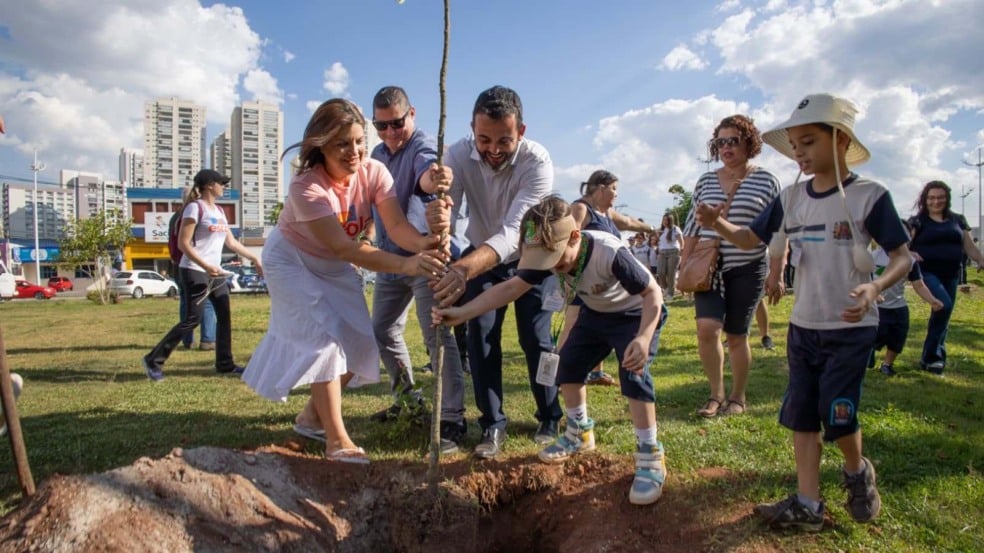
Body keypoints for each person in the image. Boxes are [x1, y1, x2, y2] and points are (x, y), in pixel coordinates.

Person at [697, 92, 911, 531]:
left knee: (839, 414)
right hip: (803, 327)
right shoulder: (791, 197)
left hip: (850, 330)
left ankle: (856, 470)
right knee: (800, 414)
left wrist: (875, 287)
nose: (799, 153)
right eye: (795, 145)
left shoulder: (871, 196)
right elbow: (750, 241)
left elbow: (903, 257)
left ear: (840, 140)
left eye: (808, 142)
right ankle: (808, 504)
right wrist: (716, 223)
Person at [241, 99, 447, 464]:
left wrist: (426, 243)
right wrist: (409, 265)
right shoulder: (306, 187)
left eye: (358, 141)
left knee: (361, 347)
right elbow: (343, 248)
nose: (354, 152)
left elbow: (397, 228)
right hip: (293, 259)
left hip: (334, 263)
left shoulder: (375, 172)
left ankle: (309, 418)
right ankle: (337, 439)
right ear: (320, 145)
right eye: (342, 144)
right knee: (323, 342)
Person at [433, 196, 668, 505]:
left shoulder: (610, 253)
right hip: (596, 313)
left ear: (574, 236)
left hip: (636, 314)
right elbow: (509, 288)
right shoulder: (549, 253)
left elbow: (653, 294)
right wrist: (462, 313)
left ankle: (649, 455)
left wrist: (643, 337)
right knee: (567, 366)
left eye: (556, 259)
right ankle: (579, 431)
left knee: (632, 374)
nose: (553, 267)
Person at [427, 85, 562, 458]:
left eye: (505, 139)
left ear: (521, 131)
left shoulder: (538, 162)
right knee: (479, 336)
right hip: (479, 256)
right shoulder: (456, 155)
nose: (494, 149)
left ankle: (550, 414)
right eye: (483, 139)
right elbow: (447, 216)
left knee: (537, 340)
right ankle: (492, 425)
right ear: (472, 128)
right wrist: (440, 238)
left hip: (532, 255)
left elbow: (514, 233)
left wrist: (462, 270)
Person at [366, 86, 465, 454]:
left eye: (396, 123)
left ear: (412, 115)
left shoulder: (423, 146)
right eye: (381, 125)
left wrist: (434, 179)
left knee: (437, 337)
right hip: (390, 259)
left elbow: (427, 175)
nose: (390, 133)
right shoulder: (376, 153)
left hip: (426, 260)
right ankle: (407, 399)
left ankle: (452, 417)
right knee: (382, 330)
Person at [682, 114, 782, 418]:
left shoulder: (766, 180)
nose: (726, 147)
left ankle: (737, 397)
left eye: (733, 141)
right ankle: (716, 394)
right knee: (707, 330)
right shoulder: (706, 180)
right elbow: (691, 226)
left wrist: (777, 273)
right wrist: (684, 267)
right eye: (720, 142)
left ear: (749, 143)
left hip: (748, 268)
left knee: (737, 335)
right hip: (708, 267)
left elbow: (779, 231)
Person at [142, 169, 261, 382]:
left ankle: (225, 364)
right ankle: (154, 359)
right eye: (221, 183)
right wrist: (205, 265)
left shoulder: (220, 212)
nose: (223, 187)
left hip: (216, 272)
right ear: (209, 185)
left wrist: (255, 258)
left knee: (224, 317)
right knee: (192, 319)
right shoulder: (194, 208)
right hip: (195, 271)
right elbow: (183, 244)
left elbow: (231, 243)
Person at [567, 169, 655, 387]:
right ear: (601, 188)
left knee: (599, 330)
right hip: (584, 281)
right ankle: (564, 373)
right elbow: (569, 241)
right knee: (574, 327)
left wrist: (651, 228)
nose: (616, 194)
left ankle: (596, 373)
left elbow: (628, 222)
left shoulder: (607, 213)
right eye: (614, 189)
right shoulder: (580, 208)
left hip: (607, 285)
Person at [906, 180, 984, 375]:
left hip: (951, 274)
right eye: (931, 197)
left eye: (940, 197)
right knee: (943, 305)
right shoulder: (918, 221)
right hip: (926, 273)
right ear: (925, 199)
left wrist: (981, 260)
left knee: (943, 315)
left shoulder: (957, 220)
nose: (936, 201)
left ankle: (930, 357)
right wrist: (911, 254)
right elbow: (904, 245)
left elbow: (969, 246)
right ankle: (933, 357)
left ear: (947, 198)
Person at [870, 227, 944, 376]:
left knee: (897, 339)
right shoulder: (873, 257)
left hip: (899, 307)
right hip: (876, 307)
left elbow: (919, 284)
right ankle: (867, 356)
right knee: (873, 336)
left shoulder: (910, 261)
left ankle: (887, 364)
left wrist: (932, 300)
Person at [172, 186, 218, 351]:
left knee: (186, 303)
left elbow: (173, 244)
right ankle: (208, 339)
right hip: (196, 265)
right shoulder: (196, 213)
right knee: (206, 303)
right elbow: (184, 243)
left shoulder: (176, 217)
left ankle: (187, 340)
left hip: (181, 265)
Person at [656, 213, 683, 298]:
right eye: (663, 219)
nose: (665, 221)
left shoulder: (675, 229)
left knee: (671, 274)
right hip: (662, 253)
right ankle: (666, 288)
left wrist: (681, 250)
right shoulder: (661, 230)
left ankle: (670, 294)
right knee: (660, 272)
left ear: (670, 220)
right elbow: (660, 242)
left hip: (673, 252)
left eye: (667, 220)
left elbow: (681, 241)